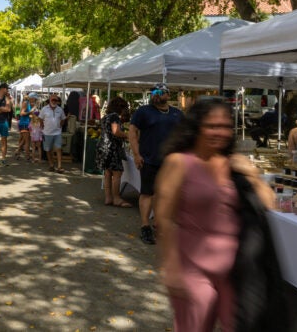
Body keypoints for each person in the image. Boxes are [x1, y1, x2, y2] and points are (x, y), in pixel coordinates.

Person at [155, 98, 284, 332]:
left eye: (225, 126)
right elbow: (163, 217)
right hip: (192, 267)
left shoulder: (234, 164)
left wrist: (253, 175)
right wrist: (171, 266)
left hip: (236, 270)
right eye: (212, 126)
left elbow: (269, 203)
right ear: (196, 126)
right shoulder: (179, 162)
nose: (220, 132)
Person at [129, 83, 182, 245]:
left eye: (160, 92)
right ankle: (145, 226)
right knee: (147, 193)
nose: (156, 95)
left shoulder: (177, 114)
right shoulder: (143, 111)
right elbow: (132, 132)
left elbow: (184, 134)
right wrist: (137, 154)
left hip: (169, 163)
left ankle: (159, 224)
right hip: (149, 159)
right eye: (154, 92)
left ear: (168, 95)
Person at [97, 97, 132, 207]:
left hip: (103, 147)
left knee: (107, 173)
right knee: (117, 173)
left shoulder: (106, 117)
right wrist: (127, 136)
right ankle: (116, 198)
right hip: (112, 148)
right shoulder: (114, 116)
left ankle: (108, 198)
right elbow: (116, 131)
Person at [41, 94, 67, 173]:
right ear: (49, 100)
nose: (54, 101)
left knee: (58, 149)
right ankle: (51, 165)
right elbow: (40, 118)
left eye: (56, 100)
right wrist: (42, 126)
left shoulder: (60, 109)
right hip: (47, 132)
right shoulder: (44, 109)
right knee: (48, 150)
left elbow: (63, 118)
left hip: (57, 132)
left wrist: (60, 125)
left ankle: (59, 166)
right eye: (53, 100)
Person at [14, 93, 37, 161]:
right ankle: (27, 156)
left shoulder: (30, 104)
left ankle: (18, 152)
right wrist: (30, 112)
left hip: (27, 123)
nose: (35, 100)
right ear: (31, 98)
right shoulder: (26, 103)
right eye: (34, 98)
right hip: (24, 123)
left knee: (24, 140)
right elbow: (22, 113)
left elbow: (29, 114)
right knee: (27, 141)